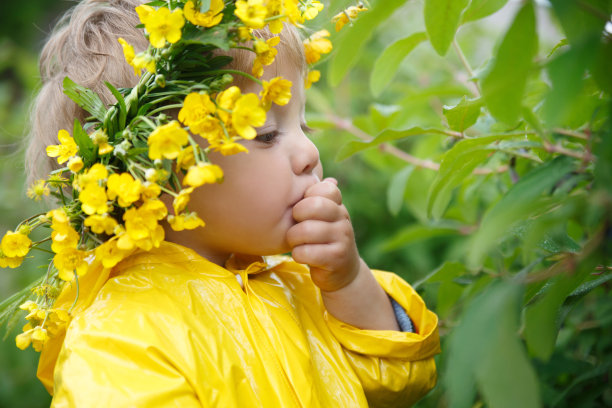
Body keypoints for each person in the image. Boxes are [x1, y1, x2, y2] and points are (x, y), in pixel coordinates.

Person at [15, 0, 440, 406]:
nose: (309, 152)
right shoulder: (123, 339)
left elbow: (399, 380)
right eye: (267, 134)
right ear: (155, 177)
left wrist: (347, 282)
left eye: (303, 124)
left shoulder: (296, 284)